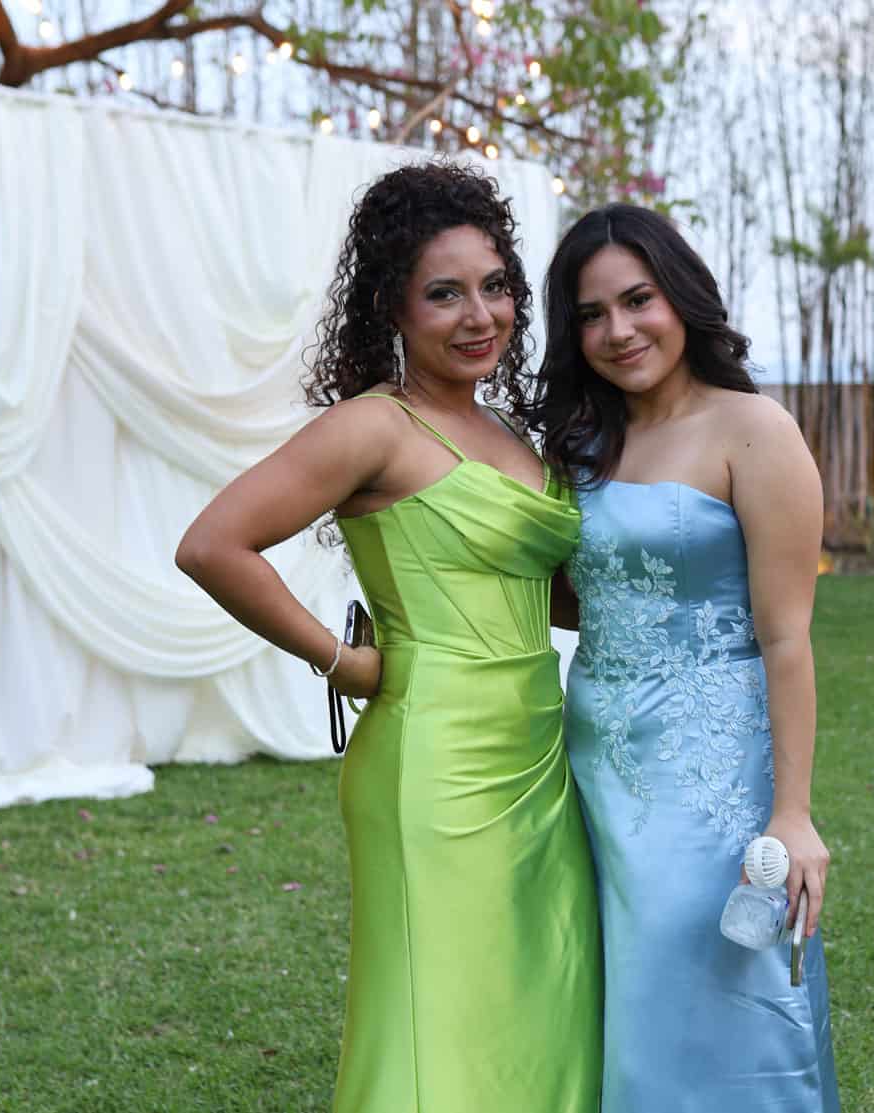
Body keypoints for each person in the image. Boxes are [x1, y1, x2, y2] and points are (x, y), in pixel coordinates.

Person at [175, 162, 601, 1113]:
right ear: (392, 306)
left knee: (539, 1002)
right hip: (432, 761)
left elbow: (545, 594)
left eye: (495, 286)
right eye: (444, 293)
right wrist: (343, 660)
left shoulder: (512, 433)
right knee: (433, 1017)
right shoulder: (374, 427)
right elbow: (213, 544)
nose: (480, 315)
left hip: (540, 752)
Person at [521, 203, 840, 1112]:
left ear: (681, 298)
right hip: (594, 758)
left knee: (712, 982)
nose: (618, 331)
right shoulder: (579, 444)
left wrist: (792, 813)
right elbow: (576, 590)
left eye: (638, 300)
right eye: (591, 314)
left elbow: (787, 637)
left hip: (710, 769)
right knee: (617, 988)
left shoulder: (755, 429)